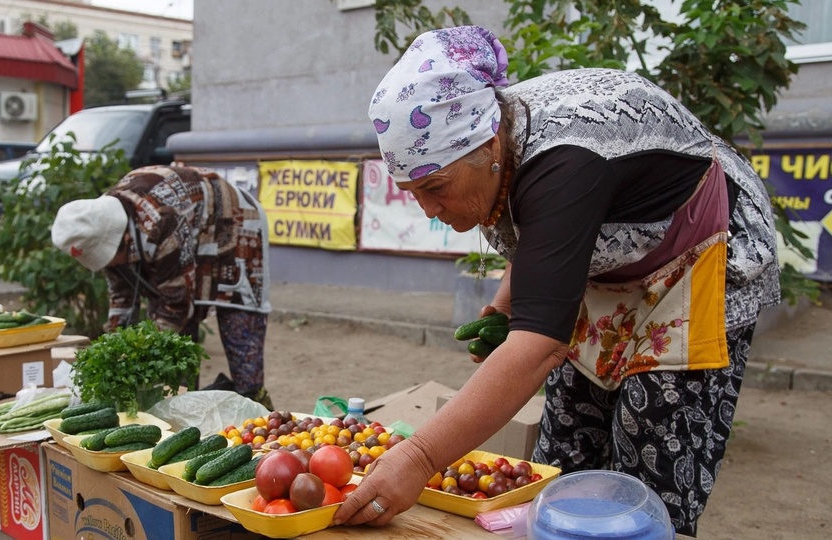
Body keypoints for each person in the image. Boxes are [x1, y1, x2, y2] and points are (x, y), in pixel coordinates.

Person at [335, 26, 780, 536]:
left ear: (489, 147)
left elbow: (540, 345)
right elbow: (541, 232)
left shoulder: (565, 162)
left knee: (649, 456)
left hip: (696, 256)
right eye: (413, 192)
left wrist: (418, 458)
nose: (430, 210)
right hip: (615, 264)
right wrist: (509, 305)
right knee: (564, 452)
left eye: (435, 187)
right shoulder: (501, 133)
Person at [51, 165, 274, 409]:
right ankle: (186, 408)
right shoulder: (98, 224)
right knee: (172, 344)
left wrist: (141, 353)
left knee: (237, 326)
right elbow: (121, 298)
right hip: (187, 228)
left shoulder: (161, 220)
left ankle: (257, 404)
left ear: (120, 238)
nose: (110, 262)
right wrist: (114, 349)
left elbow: (176, 303)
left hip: (232, 223)